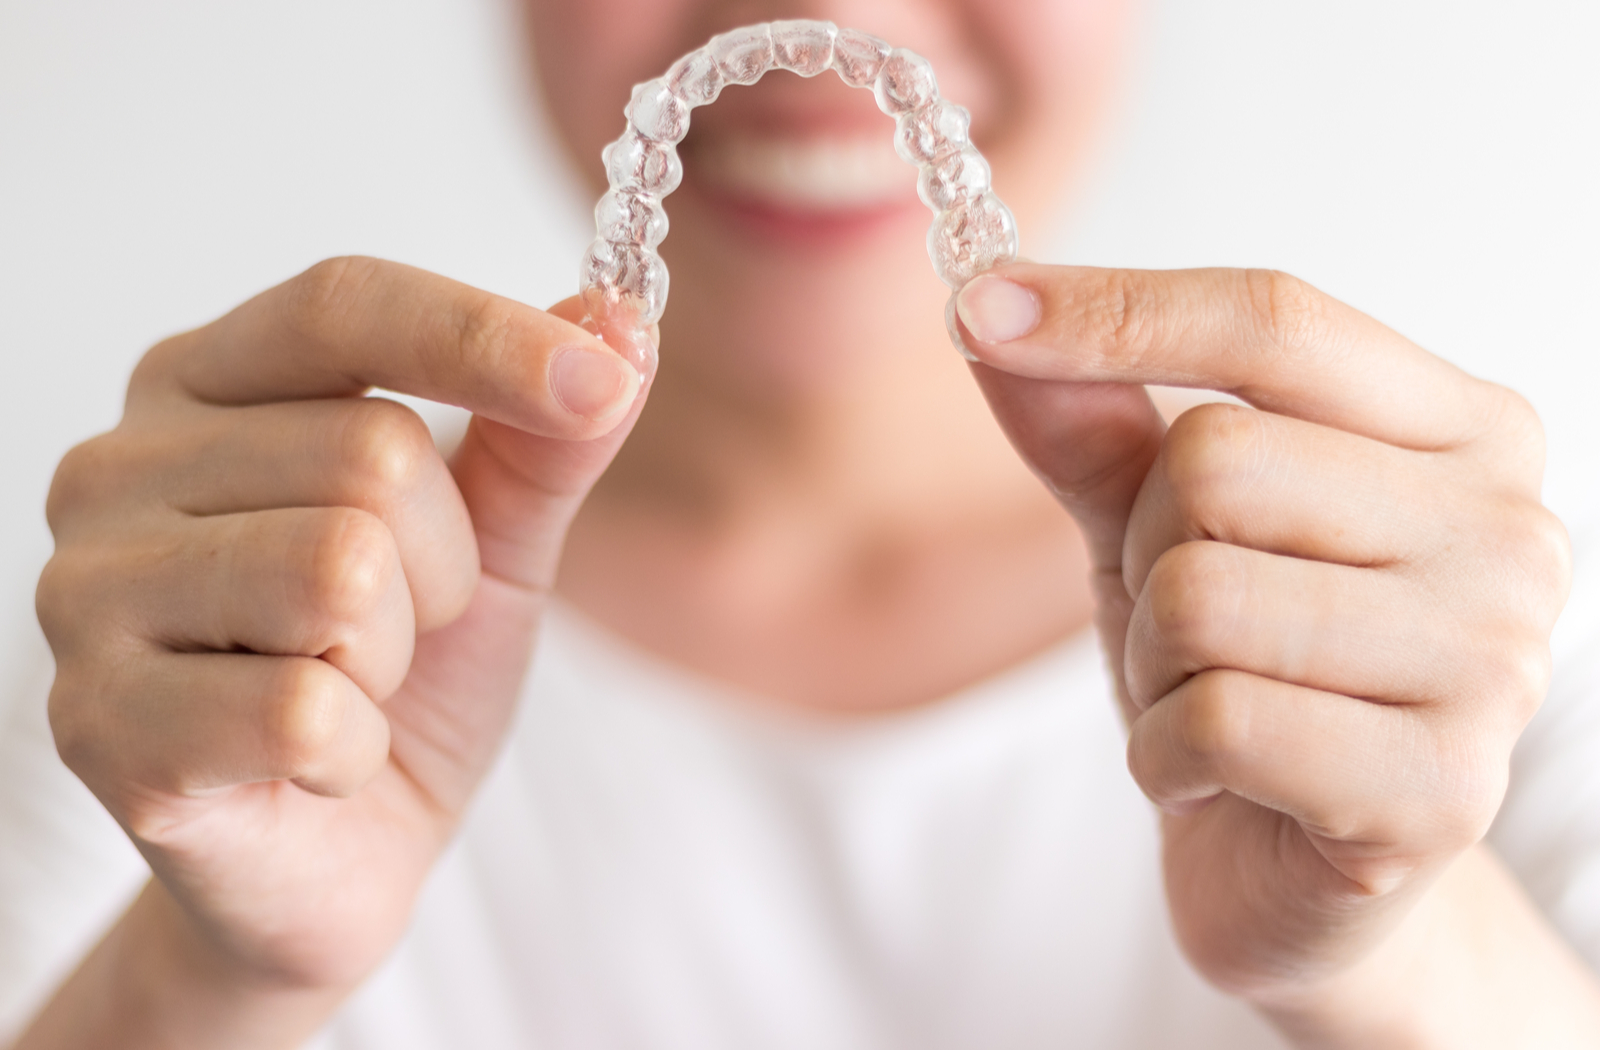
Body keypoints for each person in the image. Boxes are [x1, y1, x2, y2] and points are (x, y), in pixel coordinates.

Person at [5, 0, 1600, 1047]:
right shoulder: (224, 666)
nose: (828, 13)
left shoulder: (1476, 653)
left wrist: (1397, 948)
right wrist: (200, 975)